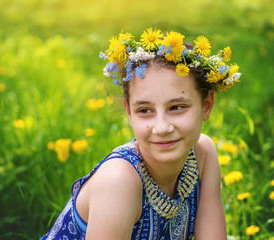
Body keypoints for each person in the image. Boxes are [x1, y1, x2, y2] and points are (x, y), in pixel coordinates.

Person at [40, 28, 241, 240]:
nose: (162, 127)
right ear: (129, 112)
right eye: (145, 111)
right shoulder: (118, 181)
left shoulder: (203, 154)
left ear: (207, 105)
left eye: (177, 107)